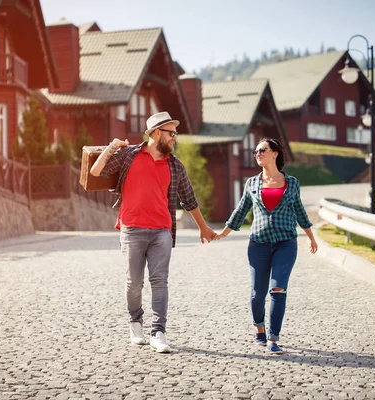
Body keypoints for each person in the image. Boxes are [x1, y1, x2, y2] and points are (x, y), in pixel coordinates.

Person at [90, 111, 216, 353]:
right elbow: (96, 172)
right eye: (171, 133)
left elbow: (189, 200)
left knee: (160, 282)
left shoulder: (175, 165)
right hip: (131, 229)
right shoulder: (128, 155)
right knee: (134, 283)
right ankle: (135, 322)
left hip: (162, 232)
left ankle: (158, 332)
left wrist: (203, 227)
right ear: (156, 133)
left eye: (175, 134)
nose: (175, 138)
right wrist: (112, 146)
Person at [216, 138, 318, 355]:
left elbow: (300, 211)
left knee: (278, 289)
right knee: (257, 294)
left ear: (275, 154)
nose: (257, 154)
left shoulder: (292, 183)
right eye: (256, 152)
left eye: (262, 150)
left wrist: (311, 236)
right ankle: (259, 327)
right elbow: (241, 209)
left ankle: (273, 338)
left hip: (286, 243)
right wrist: (223, 232)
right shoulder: (251, 183)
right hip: (258, 245)